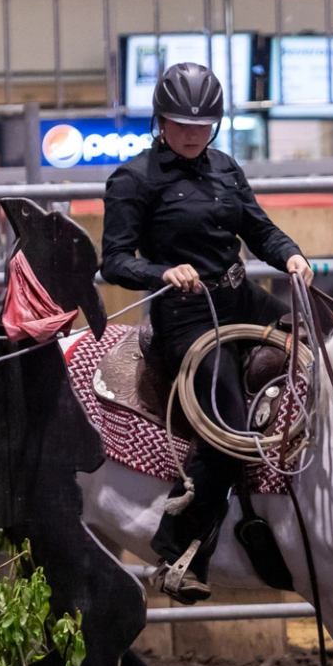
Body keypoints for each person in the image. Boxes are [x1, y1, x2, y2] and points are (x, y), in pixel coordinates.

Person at [100, 61, 312, 603]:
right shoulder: (133, 179)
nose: (194, 135)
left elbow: (257, 227)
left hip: (240, 295)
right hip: (187, 315)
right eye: (181, 125)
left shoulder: (225, 167)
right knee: (228, 426)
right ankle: (178, 551)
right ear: (160, 122)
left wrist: (289, 255)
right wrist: (161, 272)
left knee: (324, 348)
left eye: (203, 126)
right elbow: (115, 261)